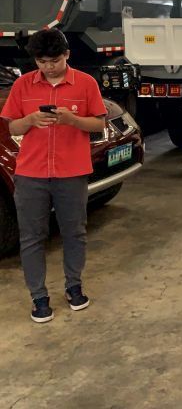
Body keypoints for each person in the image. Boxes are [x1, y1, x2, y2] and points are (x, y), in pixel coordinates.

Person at [0, 29, 107, 323]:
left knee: (74, 232)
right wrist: (31, 120)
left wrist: (71, 119)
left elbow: (98, 124)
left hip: (71, 172)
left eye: (55, 61)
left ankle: (74, 286)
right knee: (32, 237)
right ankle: (39, 297)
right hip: (31, 173)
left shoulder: (85, 84)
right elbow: (12, 128)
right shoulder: (23, 85)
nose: (48, 67)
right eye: (42, 61)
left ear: (67, 55)